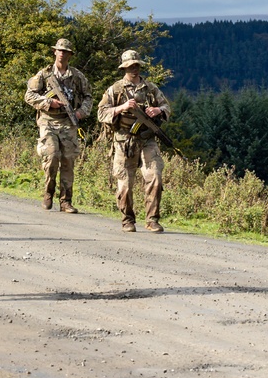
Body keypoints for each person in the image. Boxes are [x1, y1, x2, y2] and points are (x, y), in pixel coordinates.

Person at [97, 50, 171, 233]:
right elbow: (101, 113)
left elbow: (167, 106)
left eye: (136, 65)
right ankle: (127, 219)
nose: (134, 69)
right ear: (124, 68)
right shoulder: (115, 90)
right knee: (125, 183)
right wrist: (121, 107)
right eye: (130, 66)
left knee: (155, 176)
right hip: (124, 141)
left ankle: (152, 219)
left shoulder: (150, 88)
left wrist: (158, 111)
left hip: (147, 140)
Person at [24, 38, 93, 213]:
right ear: (55, 52)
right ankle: (48, 192)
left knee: (68, 160)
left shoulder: (77, 76)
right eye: (59, 50)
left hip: (68, 121)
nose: (62, 53)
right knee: (52, 156)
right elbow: (29, 96)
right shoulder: (44, 75)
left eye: (65, 51)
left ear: (70, 54)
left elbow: (88, 97)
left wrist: (81, 113)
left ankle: (66, 201)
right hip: (48, 120)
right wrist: (48, 102)